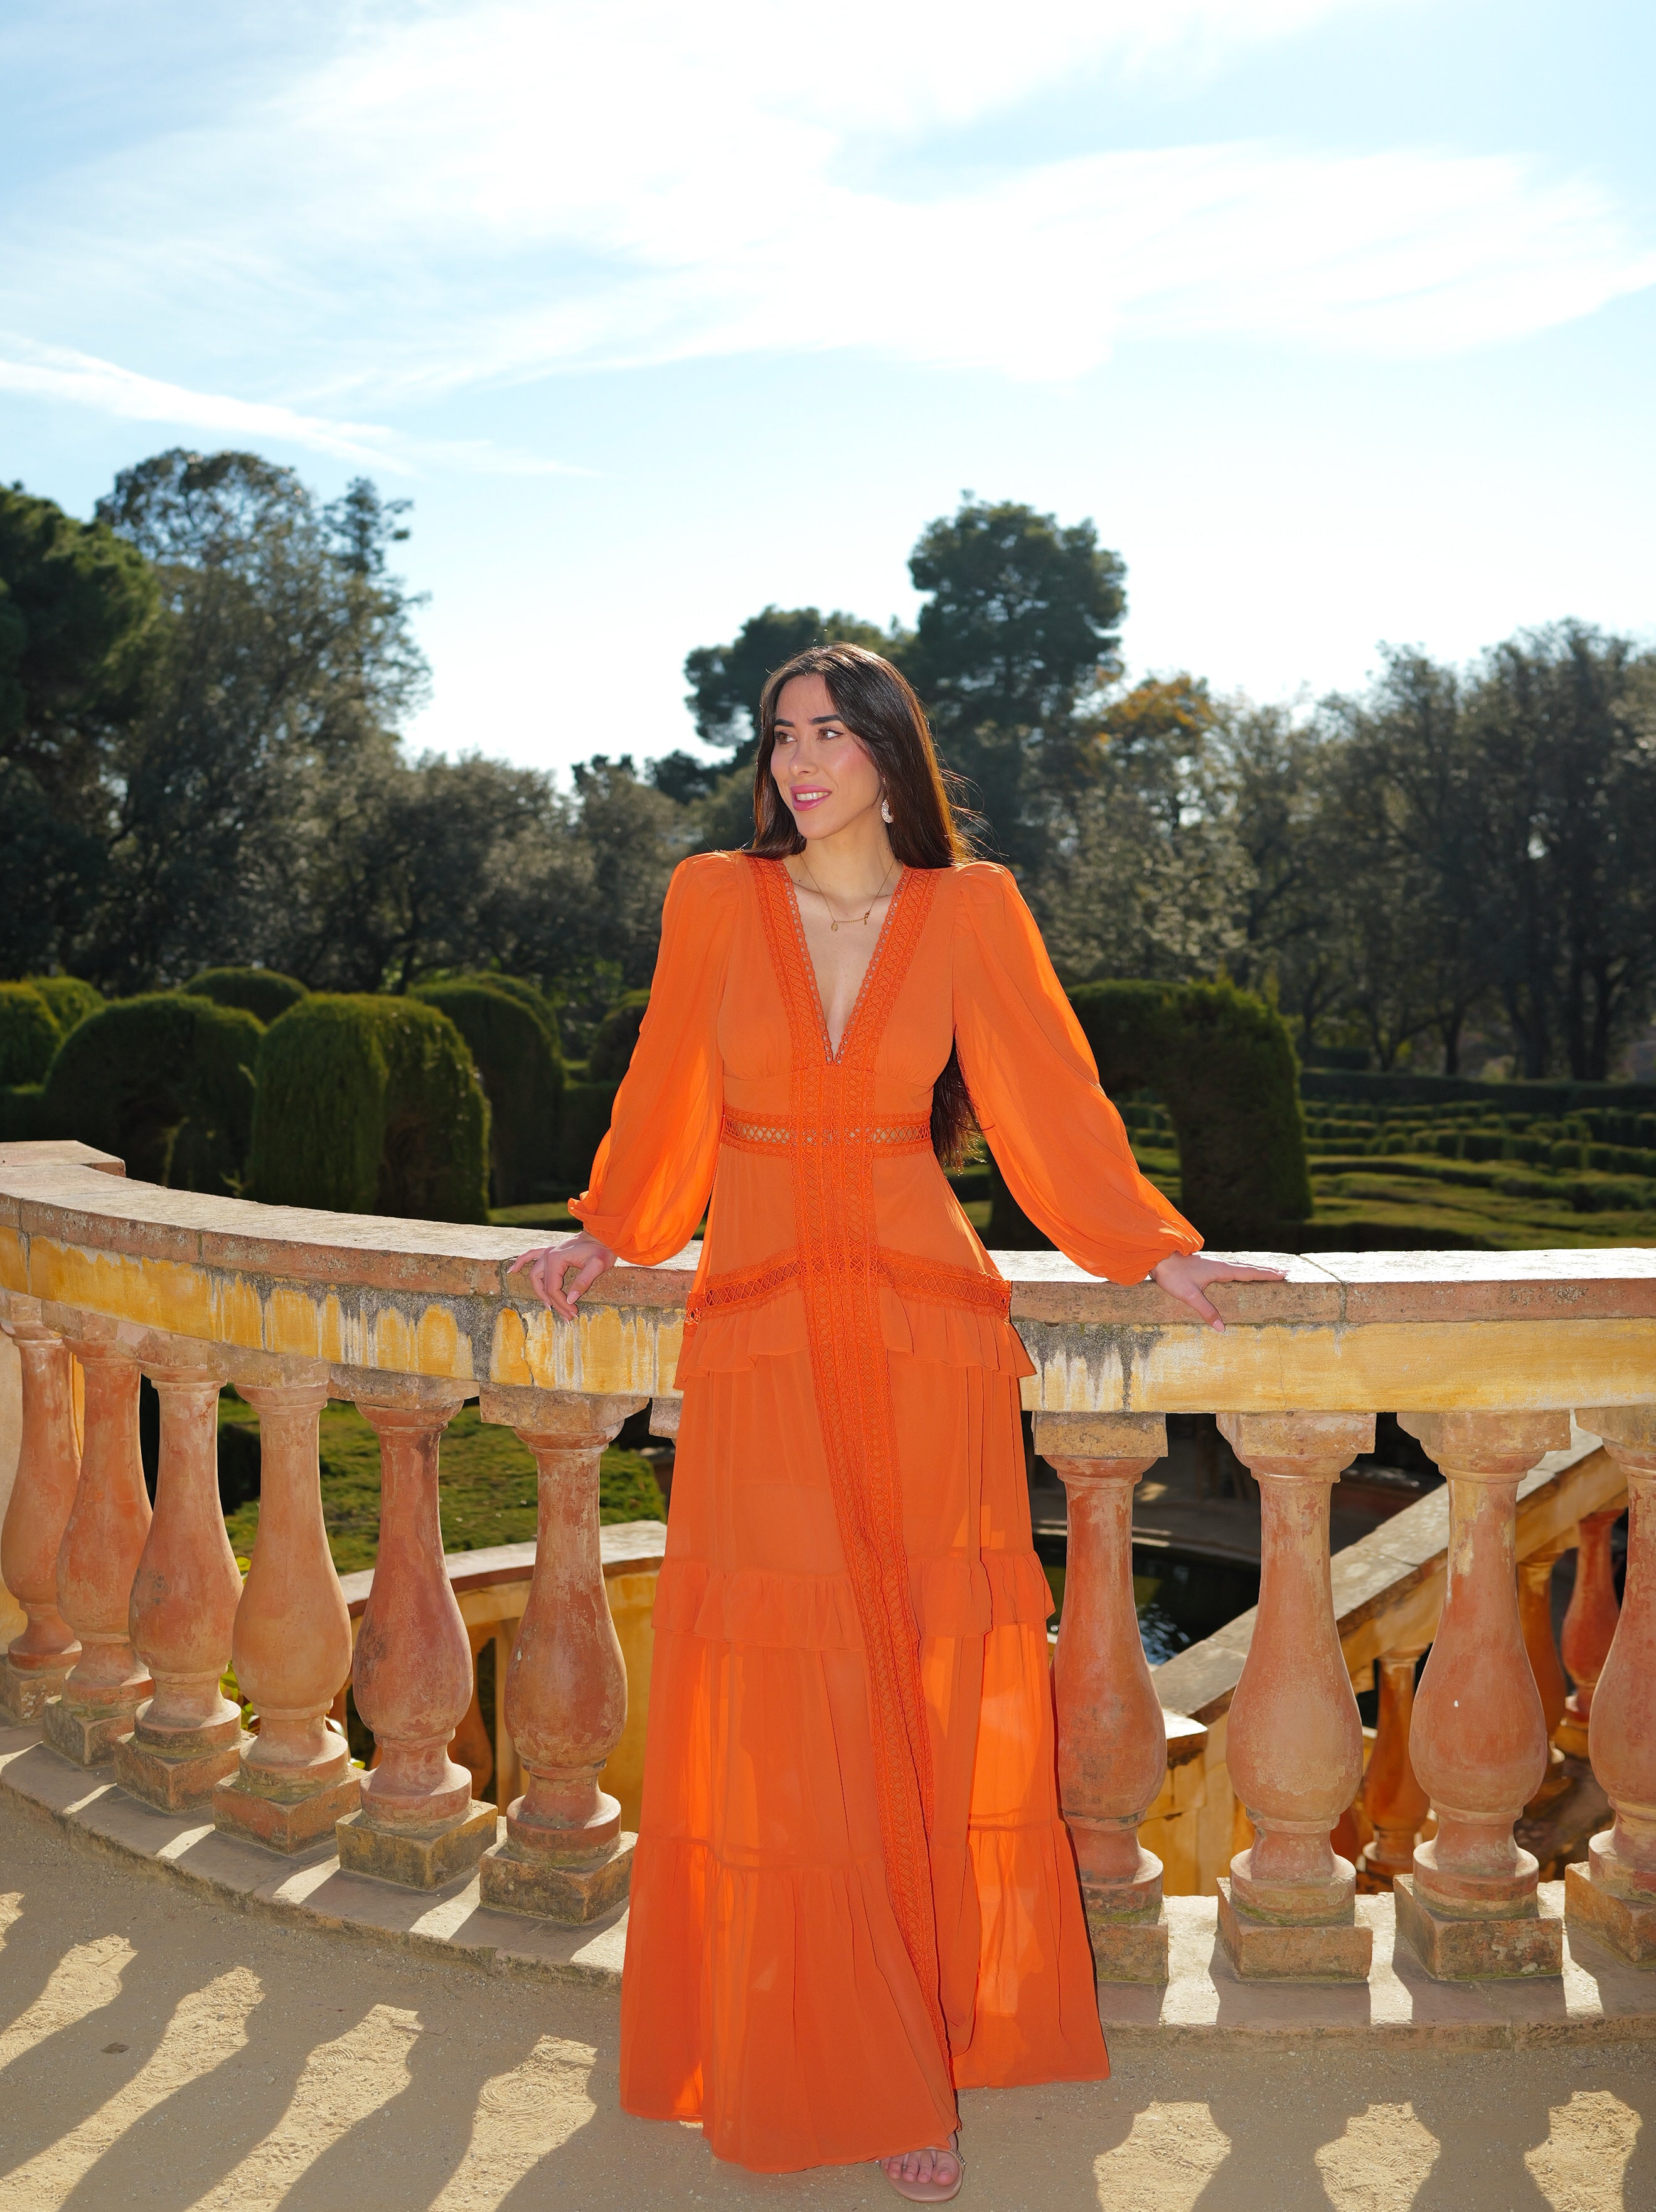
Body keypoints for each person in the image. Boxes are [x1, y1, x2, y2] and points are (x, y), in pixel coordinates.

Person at [514, 645, 1283, 2202]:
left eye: (830, 733)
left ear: (889, 751)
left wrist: (1153, 1245)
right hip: (765, 1338)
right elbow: (667, 1088)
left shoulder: (970, 909)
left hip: (927, 1335)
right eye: (780, 735)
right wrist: (613, 1225)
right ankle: (844, 2056)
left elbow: (1044, 1100)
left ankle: (921, 2031)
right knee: (797, 1698)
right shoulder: (712, 897)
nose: (800, 762)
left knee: (924, 1682)